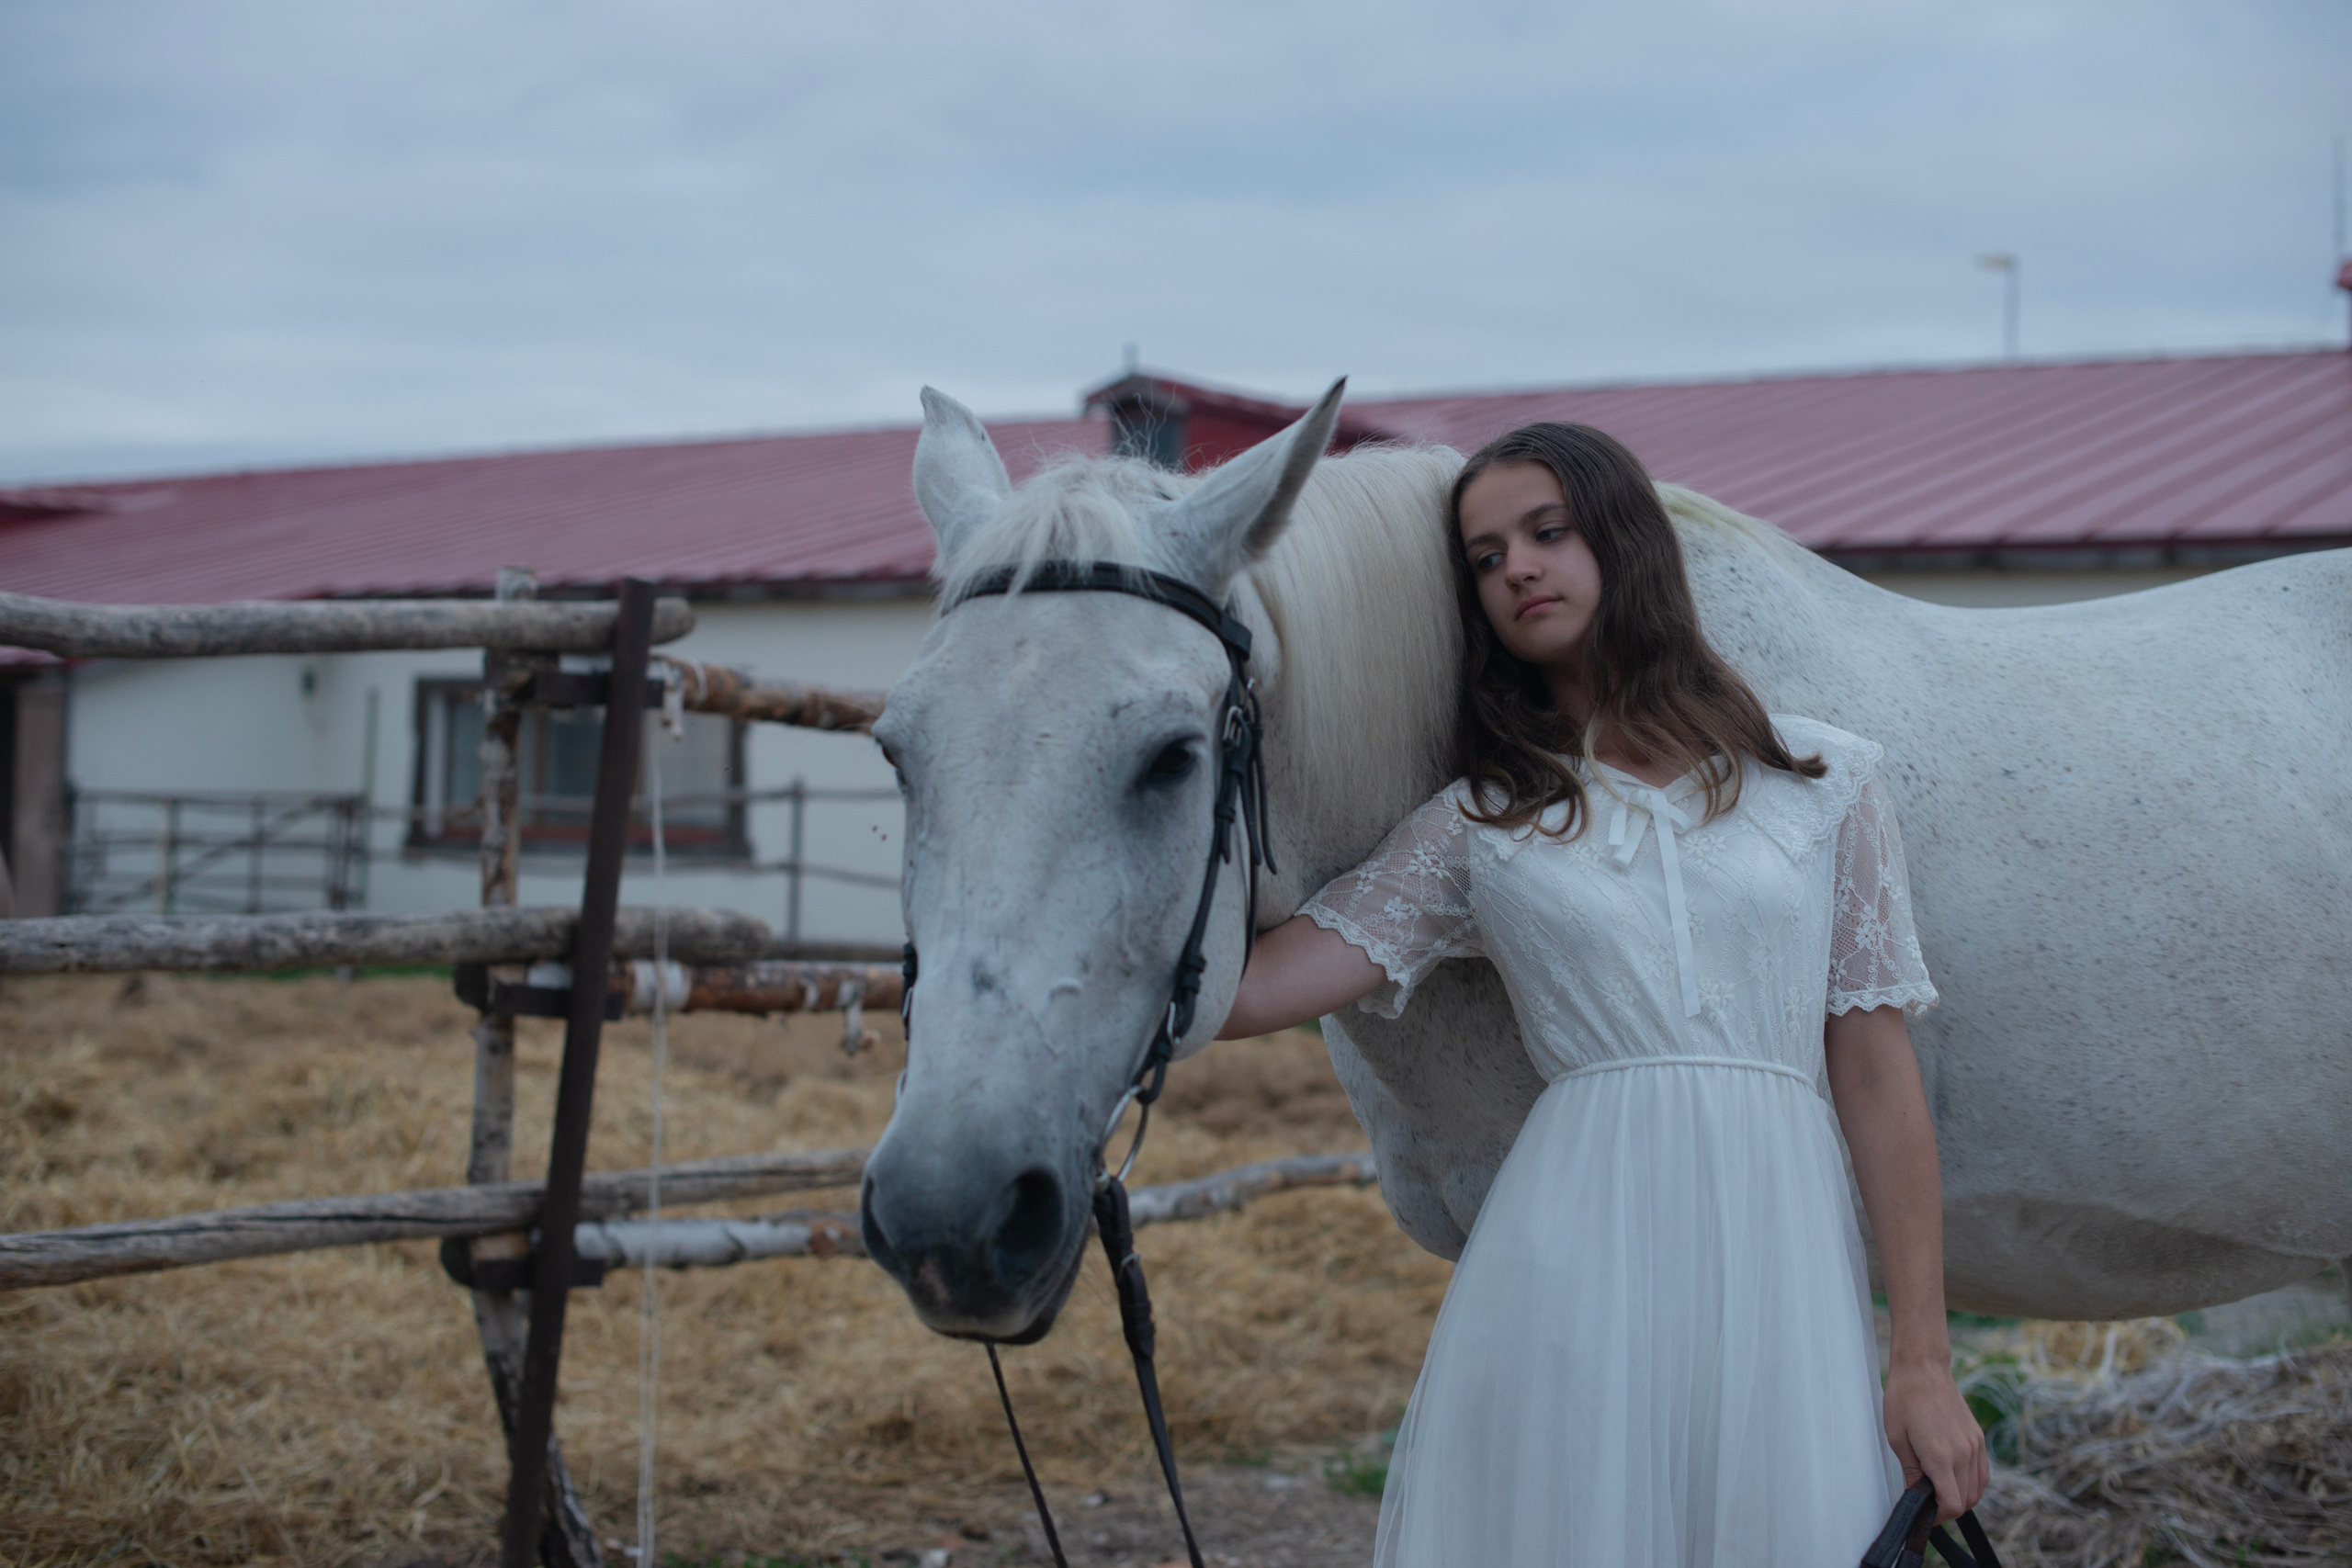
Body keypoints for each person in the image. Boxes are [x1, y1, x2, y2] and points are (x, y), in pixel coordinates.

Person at [1218, 423, 1988, 1567]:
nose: (1516, 568)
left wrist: (1921, 1360)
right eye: (1484, 558)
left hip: (1780, 1274)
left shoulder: (1821, 787)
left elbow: (1878, 1079)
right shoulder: (1478, 823)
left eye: (1545, 532)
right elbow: (1246, 995)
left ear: (1623, 543)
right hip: (1566, 1269)